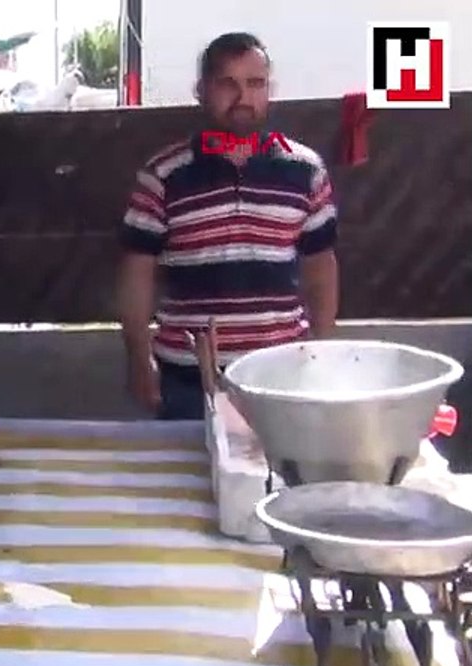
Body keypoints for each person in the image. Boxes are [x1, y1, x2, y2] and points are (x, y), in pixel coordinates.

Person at [116, 32, 339, 420]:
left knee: (283, 479)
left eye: (255, 84)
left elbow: (321, 269)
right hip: (188, 379)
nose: (243, 98)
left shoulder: (306, 171)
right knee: (187, 480)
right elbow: (137, 276)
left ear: (269, 90)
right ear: (201, 90)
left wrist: (322, 352)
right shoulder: (163, 174)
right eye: (227, 84)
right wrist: (139, 358)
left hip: (282, 377)